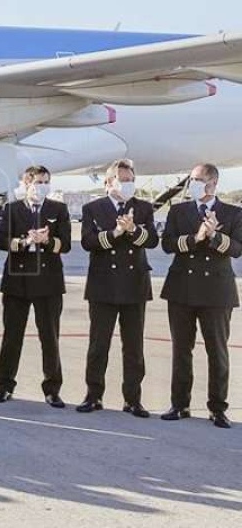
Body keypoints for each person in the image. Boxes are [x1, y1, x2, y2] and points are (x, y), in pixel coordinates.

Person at [160, 163, 242, 428]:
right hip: (182, 289)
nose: (193, 183)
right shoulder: (178, 210)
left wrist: (216, 236)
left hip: (217, 292)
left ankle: (218, 408)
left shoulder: (232, 213)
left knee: (217, 352)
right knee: (181, 350)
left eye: (198, 179)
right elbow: (168, 244)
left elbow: (238, 249)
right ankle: (179, 404)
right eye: (192, 179)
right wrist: (197, 237)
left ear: (213, 183)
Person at [77, 159, 159, 417]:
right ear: (108, 182)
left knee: (133, 347)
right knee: (98, 345)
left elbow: (153, 241)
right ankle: (93, 395)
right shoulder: (93, 208)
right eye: (123, 179)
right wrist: (114, 233)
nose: (128, 184)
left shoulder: (143, 208)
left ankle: (133, 399)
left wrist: (133, 229)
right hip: (103, 286)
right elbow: (88, 242)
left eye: (131, 179)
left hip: (134, 285)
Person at [0, 165, 71, 407]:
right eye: (38, 182)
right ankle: (5, 385)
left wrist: (47, 240)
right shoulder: (12, 209)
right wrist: (25, 241)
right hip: (18, 281)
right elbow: (2, 241)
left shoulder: (58, 209)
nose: (42, 186)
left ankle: (52, 389)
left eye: (46, 182)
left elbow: (65, 244)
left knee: (50, 337)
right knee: (12, 336)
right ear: (26, 184)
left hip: (48, 283)